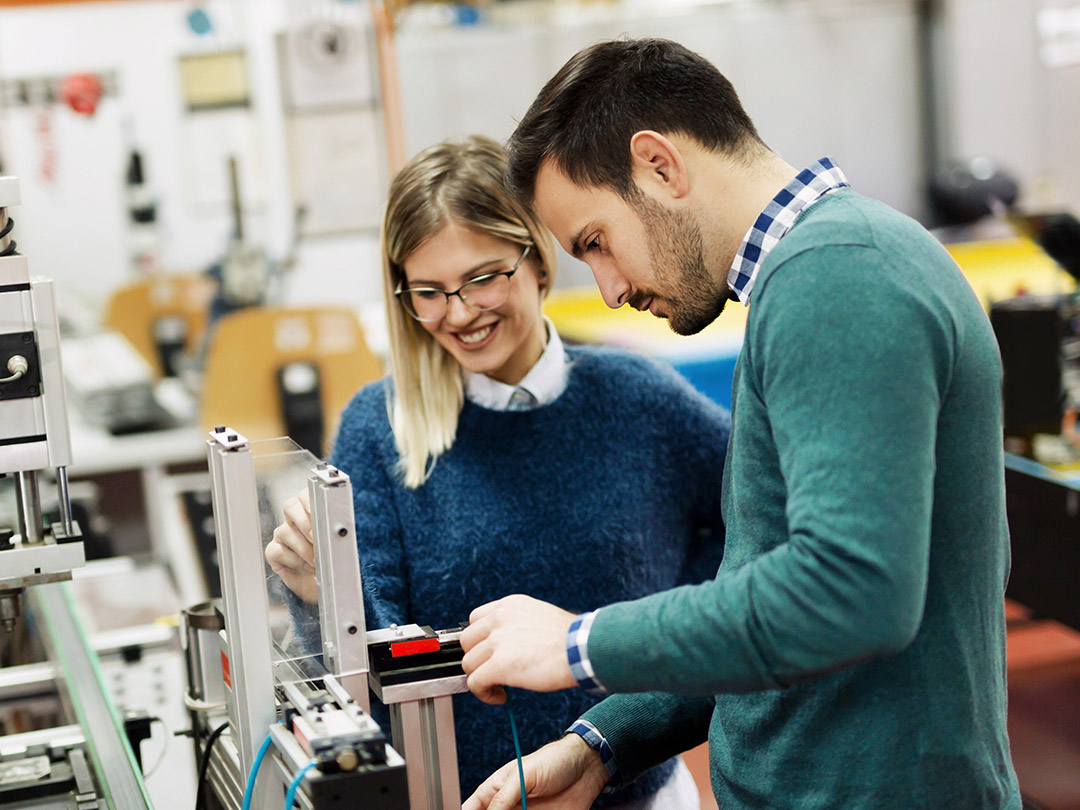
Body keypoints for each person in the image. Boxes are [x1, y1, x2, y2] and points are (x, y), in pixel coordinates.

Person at [459, 39, 1022, 810]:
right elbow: (764, 595)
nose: (612, 288)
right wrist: (605, 742)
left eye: (596, 242)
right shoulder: (818, 273)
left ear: (660, 165)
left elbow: (846, 593)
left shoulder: (838, 276)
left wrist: (578, 644)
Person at [264, 134, 732, 807]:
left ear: (538, 258)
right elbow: (365, 675)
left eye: (483, 277)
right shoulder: (379, 429)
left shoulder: (640, 398)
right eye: (428, 292)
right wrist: (318, 597)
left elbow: (755, 525)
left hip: (642, 793)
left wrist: (673, 633)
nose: (459, 314)